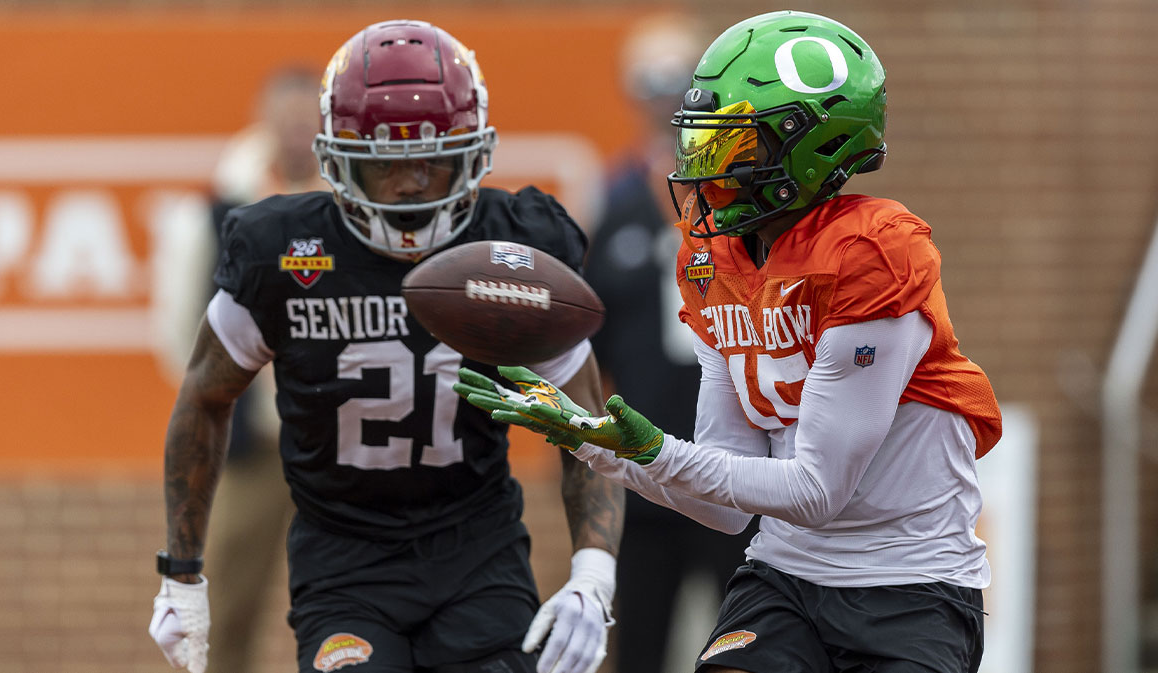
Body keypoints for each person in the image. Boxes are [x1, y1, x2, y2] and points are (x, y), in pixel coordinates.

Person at [455, 10, 1002, 673]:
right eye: (703, 139)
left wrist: (652, 449)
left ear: (805, 145)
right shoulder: (713, 257)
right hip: (784, 579)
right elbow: (719, 507)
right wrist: (598, 443)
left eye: (732, 143)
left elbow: (815, 490)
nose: (702, 164)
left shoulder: (869, 250)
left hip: (909, 588)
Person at [147, 19, 624, 673]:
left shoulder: (512, 245)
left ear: (472, 151)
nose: (412, 183)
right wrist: (181, 571)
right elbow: (204, 396)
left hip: (477, 547)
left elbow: (586, 425)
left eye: (432, 157)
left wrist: (593, 573)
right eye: (387, 162)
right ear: (340, 160)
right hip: (345, 558)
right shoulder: (280, 250)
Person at [583, 14, 757, 673]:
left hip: (737, 463)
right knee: (640, 644)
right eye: (649, 82)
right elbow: (590, 334)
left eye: (678, 81)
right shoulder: (613, 196)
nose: (664, 98)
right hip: (649, 461)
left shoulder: (748, 195)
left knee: (748, 641)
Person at [151, 66, 325, 673]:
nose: (298, 129)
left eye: (311, 116)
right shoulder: (221, 210)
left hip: (336, 442)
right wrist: (221, 399)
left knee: (352, 594)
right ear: (265, 118)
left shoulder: (354, 209)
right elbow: (180, 329)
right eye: (288, 114)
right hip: (254, 445)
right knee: (227, 603)